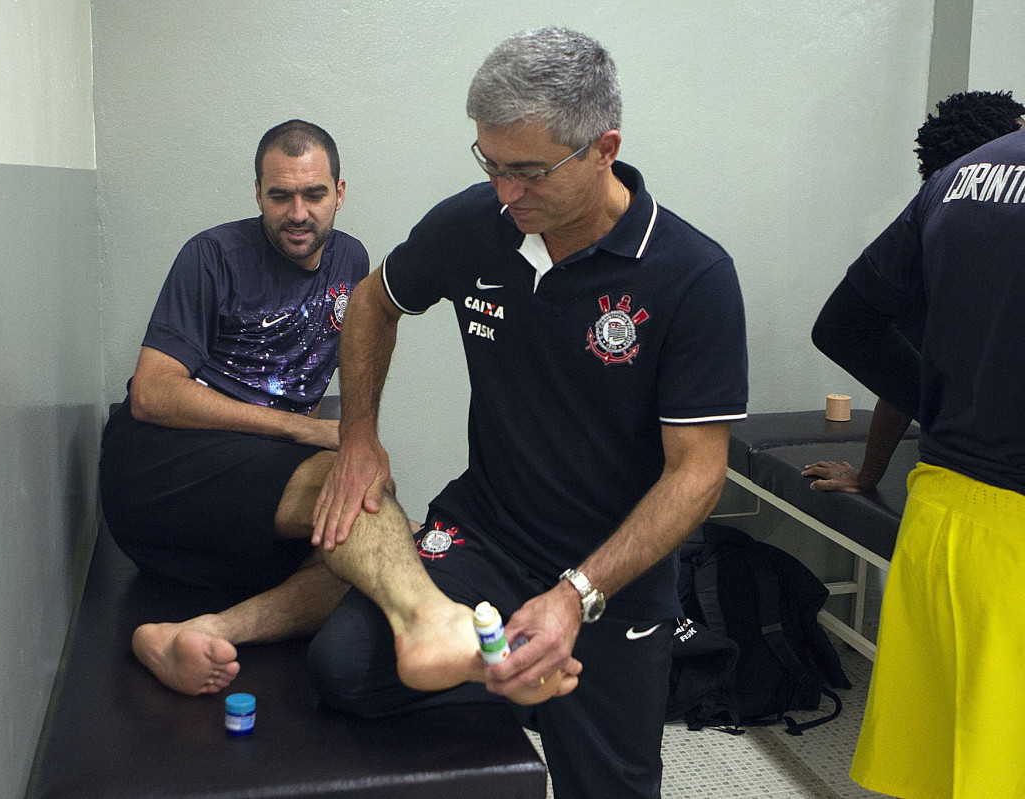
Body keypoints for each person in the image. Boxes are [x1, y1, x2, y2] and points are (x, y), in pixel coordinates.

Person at [307, 28, 747, 799]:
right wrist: (359, 435)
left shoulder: (692, 275)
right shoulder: (475, 225)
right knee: (342, 666)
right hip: (487, 531)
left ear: (604, 147)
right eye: (491, 164)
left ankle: (514, 663)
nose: (507, 192)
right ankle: (496, 663)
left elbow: (699, 475)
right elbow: (372, 303)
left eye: (531, 171)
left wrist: (576, 595)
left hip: (616, 569)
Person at [98, 119, 368, 696]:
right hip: (161, 470)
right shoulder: (213, 255)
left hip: (248, 494)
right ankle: (434, 625)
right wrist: (303, 432)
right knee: (360, 499)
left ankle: (197, 634)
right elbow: (151, 392)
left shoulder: (351, 262)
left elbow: (312, 368)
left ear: (340, 193)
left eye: (314, 194)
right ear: (257, 194)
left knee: (363, 565)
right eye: (280, 196)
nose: (298, 212)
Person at [811, 127, 1025, 797]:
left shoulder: (962, 176)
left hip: (942, 517)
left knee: (944, 775)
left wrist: (945, 402)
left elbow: (844, 324)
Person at [802, 89, 1025, 492]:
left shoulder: (945, 216)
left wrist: (870, 472)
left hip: (952, 484)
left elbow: (867, 339)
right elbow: (906, 356)